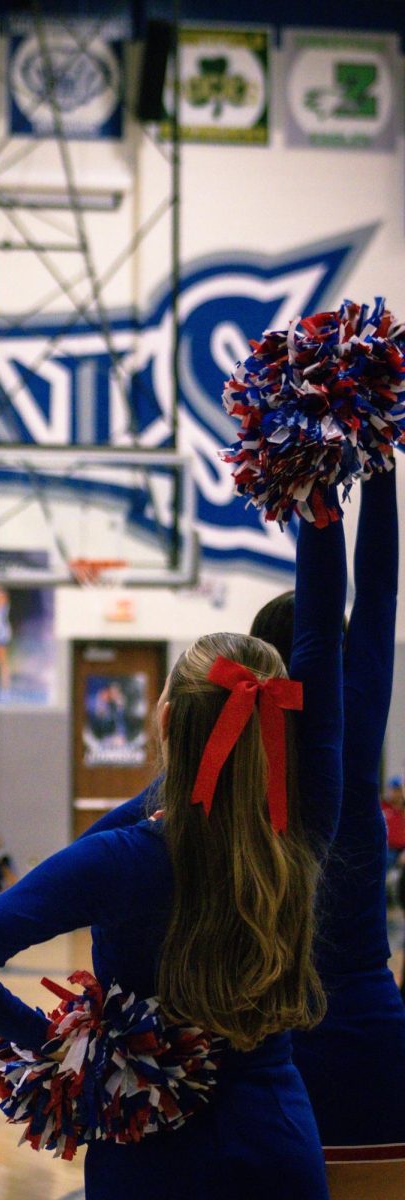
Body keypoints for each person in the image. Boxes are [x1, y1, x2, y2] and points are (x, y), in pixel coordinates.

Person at [0, 511, 346, 1200]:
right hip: (281, 1151)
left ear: (166, 718)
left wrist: (56, 1046)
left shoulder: (117, 860)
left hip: (151, 1167)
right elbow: (325, 625)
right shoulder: (304, 823)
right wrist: (323, 490)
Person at [252, 471, 405, 1198]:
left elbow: (339, 615)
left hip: (264, 1034)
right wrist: (377, 466)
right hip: (368, 1023)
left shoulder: (230, 768)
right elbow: (377, 597)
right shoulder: (349, 730)